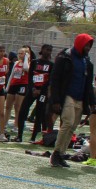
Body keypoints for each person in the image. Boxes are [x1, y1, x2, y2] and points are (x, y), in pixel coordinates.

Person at [48, 34, 94, 168]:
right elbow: (55, 79)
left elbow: (88, 84)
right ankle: (56, 153)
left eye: (89, 45)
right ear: (80, 43)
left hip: (80, 99)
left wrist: (92, 103)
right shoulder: (65, 57)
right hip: (67, 96)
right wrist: (56, 100)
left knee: (72, 127)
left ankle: (61, 154)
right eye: (86, 45)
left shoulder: (87, 62)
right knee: (67, 122)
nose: (88, 48)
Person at [22, 44, 53, 143]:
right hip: (32, 90)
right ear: (42, 50)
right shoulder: (35, 62)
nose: (48, 52)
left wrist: (41, 90)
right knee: (23, 109)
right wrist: (33, 89)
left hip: (42, 92)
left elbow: (49, 80)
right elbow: (30, 76)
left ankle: (33, 137)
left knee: (39, 113)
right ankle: (19, 135)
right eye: (47, 49)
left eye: (50, 50)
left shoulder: (51, 65)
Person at [3, 46, 32, 138]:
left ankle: (16, 125)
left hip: (22, 85)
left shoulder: (29, 63)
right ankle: (4, 124)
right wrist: (7, 87)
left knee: (17, 107)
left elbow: (26, 68)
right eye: (19, 53)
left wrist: (26, 58)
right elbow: (11, 75)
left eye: (22, 53)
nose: (19, 55)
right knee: (8, 106)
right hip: (13, 84)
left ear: (26, 54)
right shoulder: (16, 63)